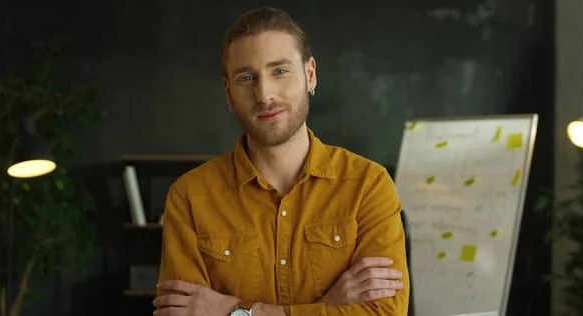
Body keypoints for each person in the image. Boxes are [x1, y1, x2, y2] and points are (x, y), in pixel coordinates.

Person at [153, 7, 409, 316]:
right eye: (246, 77)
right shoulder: (189, 197)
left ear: (310, 74)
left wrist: (238, 311)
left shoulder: (368, 185)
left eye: (280, 71)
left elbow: (384, 314)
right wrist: (326, 307)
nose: (264, 94)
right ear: (228, 93)